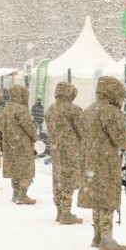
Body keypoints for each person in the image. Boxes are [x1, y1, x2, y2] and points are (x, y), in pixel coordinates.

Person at [77, 76, 126, 250]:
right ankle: (107, 240)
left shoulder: (88, 110)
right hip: (107, 162)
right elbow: (120, 138)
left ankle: (97, 236)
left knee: (96, 198)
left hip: (90, 162)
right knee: (108, 199)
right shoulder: (111, 112)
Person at [45, 82, 84, 224]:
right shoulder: (73, 109)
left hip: (56, 150)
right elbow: (82, 131)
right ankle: (66, 213)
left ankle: (59, 211)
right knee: (69, 180)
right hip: (71, 151)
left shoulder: (50, 110)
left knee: (58, 179)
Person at [2, 85, 38, 205]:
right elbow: (28, 126)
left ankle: (15, 192)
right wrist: (34, 136)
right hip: (22, 143)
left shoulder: (7, 108)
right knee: (25, 168)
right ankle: (23, 193)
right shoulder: (21, 109)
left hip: (10, 143)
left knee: (14, 167)